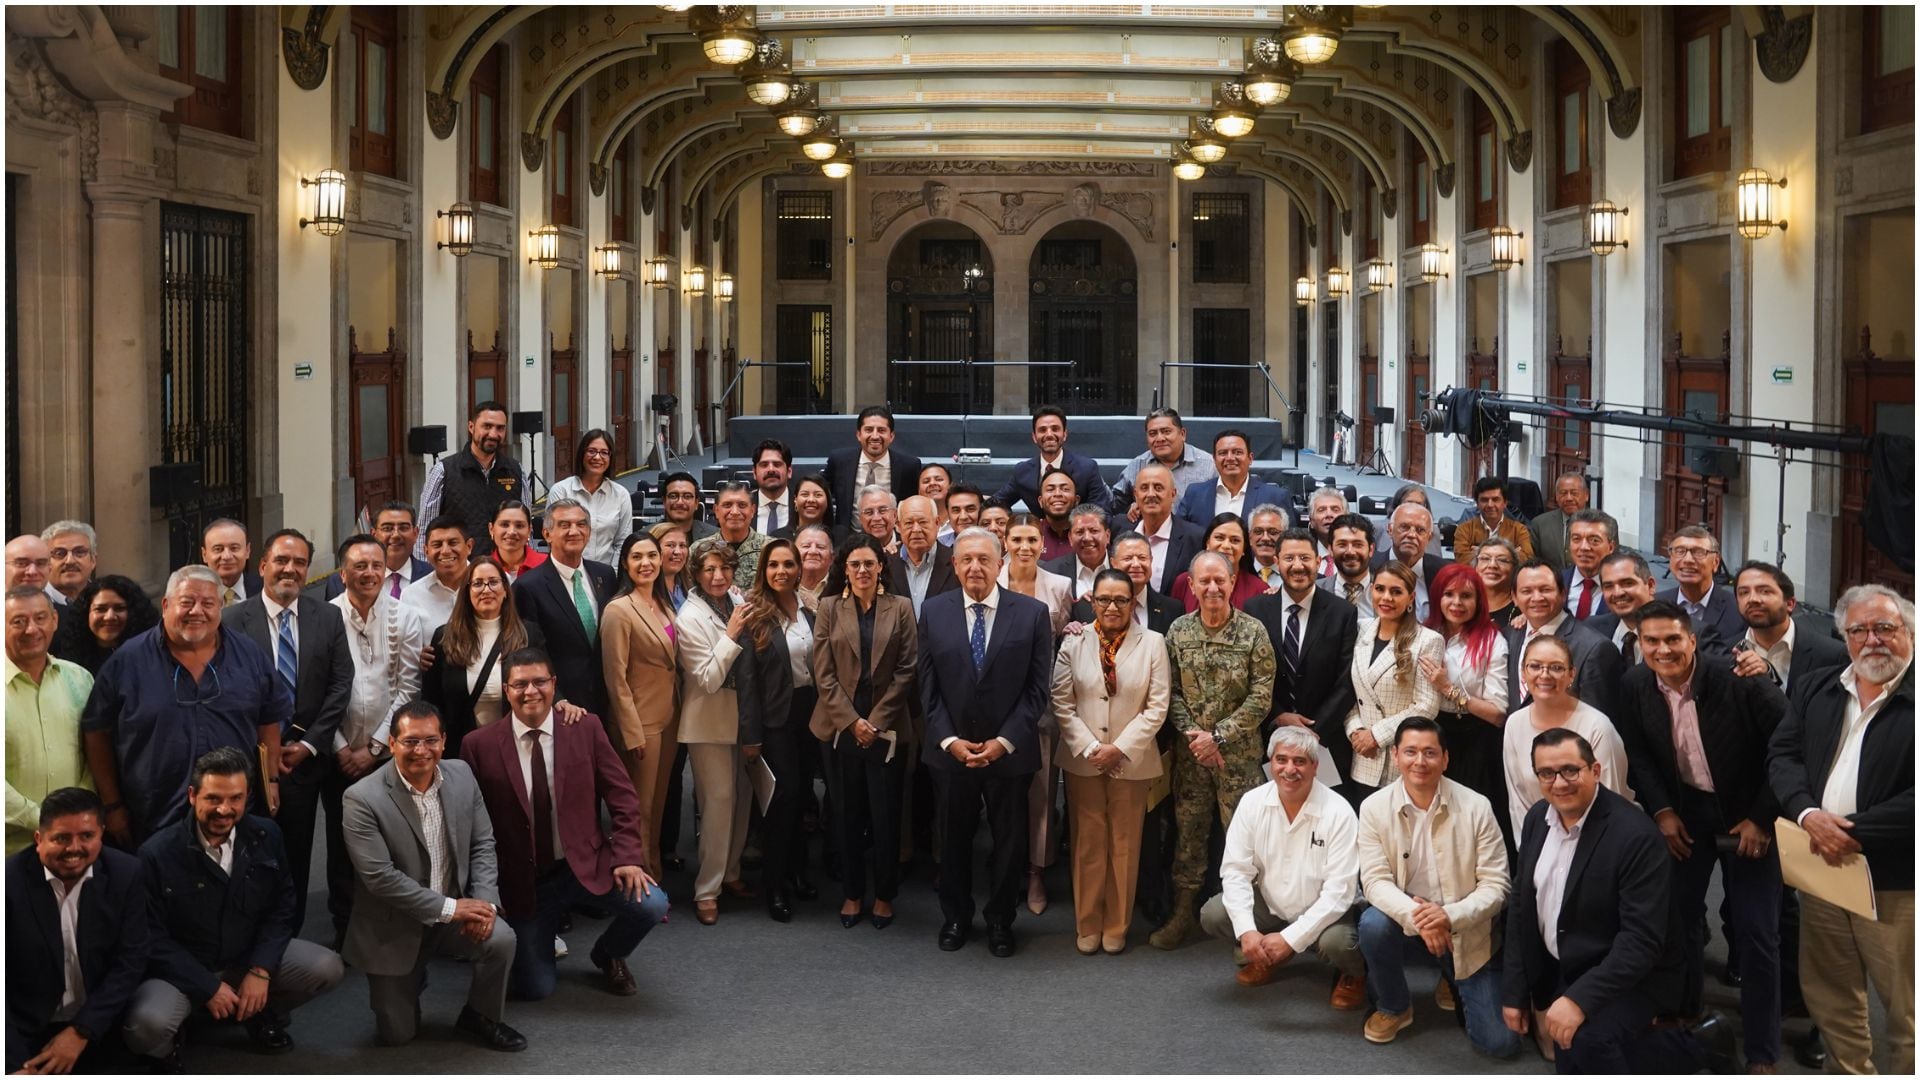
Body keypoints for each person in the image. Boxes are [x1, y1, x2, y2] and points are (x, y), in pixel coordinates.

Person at [1615, 599, 1790, 1071]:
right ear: (1640, 643)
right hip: (1686, 811)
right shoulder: (1634, 683)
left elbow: (1790, 749)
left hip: (1747, 812)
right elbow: (1640, 753)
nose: (1663, 649)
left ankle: (1762, 1051)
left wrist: (1762, 817)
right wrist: (1663, 810)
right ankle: (1684, 1014)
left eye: (1673, 639)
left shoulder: (1738, 680)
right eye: (1651, 641)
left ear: (1692, 638)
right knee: (1680, 921)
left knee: (1757, 934)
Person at [1501, 729, 1729, 1074]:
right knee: (1570, 1050)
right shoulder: (1537, 819)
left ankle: (1696, 1051)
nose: (1559, 783)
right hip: (1568, 960)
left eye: (1570, 770)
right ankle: (1700, 1045)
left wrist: (1579, 1000)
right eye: (1547, 773)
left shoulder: (1635, 836)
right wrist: (1516, 990)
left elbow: (1641, 942)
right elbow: (1521, 906)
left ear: (1596, 770)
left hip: (1636, 974)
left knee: (1584, 1038)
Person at [1767, 584, 1913, 1076]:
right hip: (1823, 869)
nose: (1872, 640)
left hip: (1897, 879)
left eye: (1885, 628)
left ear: (1908, 632)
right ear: (1844, 637)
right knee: (1831, 992)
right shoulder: (1817, 686)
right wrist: (1809, 815)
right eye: (1859, 630)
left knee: (1907, 1008)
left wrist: (1854, 830)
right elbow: (1783, 755)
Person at [461, 648, 665, 1001]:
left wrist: (628, 856)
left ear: (554, 684)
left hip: (584, 865)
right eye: (520, 684)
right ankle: (537, 941)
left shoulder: (585, 727)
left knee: (653, 905)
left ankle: (609, 953)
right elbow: (473, 829)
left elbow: (623, 797)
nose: (531, 692)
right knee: (535, 989)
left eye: (540, 682)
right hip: (525, 883)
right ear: (506, 690)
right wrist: (485, 893)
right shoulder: (478, 746)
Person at [126, 748, 345, 1064]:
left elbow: (282, 908)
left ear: (246, 798)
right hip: (182, 969)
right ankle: (181, 1030)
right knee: (146, 1027)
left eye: (235, 799)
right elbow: (150, 939)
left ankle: (257, 1012)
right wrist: (207, 986)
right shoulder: (156, 854)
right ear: (192, 796)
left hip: (245, 958)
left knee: (327, 967)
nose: (224, 809)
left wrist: (261, 969)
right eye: (213, 798)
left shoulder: (266, 835)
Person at [339, 703, 523, 1052]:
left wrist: (484, 903)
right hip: (394, 925)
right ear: (392, 744)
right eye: (410, 742)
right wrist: (453, 908)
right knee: (398, 1035)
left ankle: (481, 1016)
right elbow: (380, 878)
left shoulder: (462, 775)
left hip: (453, 914)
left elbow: (483, 842)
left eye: (430, 740)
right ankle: (410, 977)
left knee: (501, 939)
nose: (421, 751)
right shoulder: (361, 798)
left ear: (443, 741)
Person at [920, 528, 1055, 957]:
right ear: (954, 565)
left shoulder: (1032, 614)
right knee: (953, 839)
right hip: (951, 753)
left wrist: (1004, 741)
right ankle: (956, 917)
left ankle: (1000, 920)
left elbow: (1038, 690)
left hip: (1009, 754)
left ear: (1001, 564)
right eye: (966, 560)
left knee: (1009, 843)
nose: (975, 567)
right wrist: (948, 740)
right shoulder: (933, 611)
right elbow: (927, 688)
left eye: (984, 559)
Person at [82, 566, 289, 845]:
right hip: (153, 816)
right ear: (166, 605)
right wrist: (112, 806)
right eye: (187, 602)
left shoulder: (249, 655)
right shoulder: (126, 662)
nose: (197, 611)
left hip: (233, 814)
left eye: (207, 603)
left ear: (221, 606)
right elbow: (96, 734)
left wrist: (271, 781)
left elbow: (268, 720)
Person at [1355, 718, 1520, 1055]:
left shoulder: (1477, 806)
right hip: (1408, 925)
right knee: (1372, 924)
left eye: (1430, 753)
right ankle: (1395, 1006)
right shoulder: (1373, 808)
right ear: (1397, 755)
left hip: (1465, 931)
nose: (1420, 761)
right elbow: (1374, 881)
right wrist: (1421, 916)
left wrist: (1448, 916)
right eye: (1411, 752)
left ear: (1445, 759)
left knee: (1500, 1044)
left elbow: (1498, 885)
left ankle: (1450, 974)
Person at [223, 529, 354, 938]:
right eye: (282, 560)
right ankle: (244, 935)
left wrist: (310, 743)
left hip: (303, 760)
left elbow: (339, 684)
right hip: (248, 760)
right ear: (262, 566)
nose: (290, 569)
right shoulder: (232, 619)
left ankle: (286, 938)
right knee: (244, 853)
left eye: (299, 562)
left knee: (295, 855)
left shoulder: (327, 616)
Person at [1152, 551, 1276, 949]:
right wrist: (1196, 738)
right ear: (1191, 585)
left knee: (1245, 843)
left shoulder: (1253, 632)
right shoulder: (1178, 632)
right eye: (1203, 581)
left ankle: (1251, 926)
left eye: (1219, 580)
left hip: (1238, 760)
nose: (1212, 588)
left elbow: (1261, 697)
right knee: (1188, 836)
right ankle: (1183, 914)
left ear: (1231, 581)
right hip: (1191, 761)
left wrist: (1217, 737)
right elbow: (1168, 693)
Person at [1197, 726, 1366, 1006]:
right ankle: (1268, 952)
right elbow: (1236, 870)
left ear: (1315, 766)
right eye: (1282, 759)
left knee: (1338, 944)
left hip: (1325, 911)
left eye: (1300, 761)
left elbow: (1339, 893)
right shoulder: (1252, 802)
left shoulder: (1339, 812)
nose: (1290, 769)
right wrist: (1247, 931)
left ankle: (1355, 974)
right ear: (1270, 763)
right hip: (1272, 904)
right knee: (1214, 914)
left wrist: (1290, 939)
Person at [1053, 569, 1169, 955]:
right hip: (1083, 759)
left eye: (1121, 599)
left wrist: (1119, 748)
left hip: (1131, 761)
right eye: (1104, 599)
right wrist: (1090, 747)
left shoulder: (1153, 643)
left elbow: (1157, 707)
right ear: (1093, 601)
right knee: (1087, 843)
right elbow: (1061, 702)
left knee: (1124, 844)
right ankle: (1087, 922)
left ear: (1133, 602)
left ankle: (1117, 924)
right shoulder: (1073, 641)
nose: (1113, 606)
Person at [322, 533, 432, 940]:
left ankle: (390, 923)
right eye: (359, 566)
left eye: (376, 566)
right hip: (337, 753)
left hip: (387, 754)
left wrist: (373, 749)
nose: (368, 573)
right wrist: (341, 749)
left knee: (392, 838)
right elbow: (319, 692)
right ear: (343, 572)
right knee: (341, 841)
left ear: (386, 571)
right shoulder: (325, 617)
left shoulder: (405, 617)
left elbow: (408, 688)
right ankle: (343, 924)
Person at [811, 534, 919, 930]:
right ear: (845, 569)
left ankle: (885, 895)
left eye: (868, 564)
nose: (861, 571)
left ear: (880, 568)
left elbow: (908, 668)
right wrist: (852, 721)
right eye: (854, 565)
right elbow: (822, 673)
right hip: (841, 729)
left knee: (887, 814)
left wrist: (875, 721)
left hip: (886, 729)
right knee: (846, 812)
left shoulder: (901, 608)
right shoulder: (828, 608)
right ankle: (853, 893)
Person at [5, 788, 150, 1074]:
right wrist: (14, 1065)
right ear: (38, 839)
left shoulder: (126, 873)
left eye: (86, 836)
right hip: (25, 1026)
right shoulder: (7, 883)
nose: (74, 848)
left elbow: (130, 961)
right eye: (61, 838)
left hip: (100, 1023)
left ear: (101, 834)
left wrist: (82, 1030)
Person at [732, 539, 819, 921]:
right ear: (764, 571)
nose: (781, 571)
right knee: (782, 801)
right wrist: (751, 736)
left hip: (811, 716)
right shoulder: (754, 616)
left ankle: (797, 871)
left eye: (788, 564)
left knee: (803, 800)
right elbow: (747, 682)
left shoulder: (811, 611)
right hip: (773, 720)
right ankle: (775, 885)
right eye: (773, 565)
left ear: (800, 568)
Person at [999, 514, 1073, 914]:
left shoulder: (1059, 586)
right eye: (1016, 539)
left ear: (1042, 544)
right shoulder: (990, 582)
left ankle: (1036, 872)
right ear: (1004, 541)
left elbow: (1061, 642)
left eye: (1031, 539)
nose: (1024, 546)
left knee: (1042, 792)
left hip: (1042, 702)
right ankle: (1003, 867)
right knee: (1002, 792)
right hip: (994, 703)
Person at [676, 541, 753, 926]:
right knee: (718, 803)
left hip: (742, 718)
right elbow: (706, 679)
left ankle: (732, 872)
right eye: (708, 569)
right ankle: (706, 890)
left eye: (724, 568)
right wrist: (733, 632)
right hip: (707, 722)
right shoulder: (688, 616)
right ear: (695, 573)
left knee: (741, 798)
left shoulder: (735, 598)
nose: (718, 576)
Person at [1245, 528, 1358, 771]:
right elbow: (1248, 673)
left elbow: (1346, 680)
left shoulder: (1342, 613)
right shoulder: (1255, 609)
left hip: (1324, 739)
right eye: (1289, 558)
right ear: (1276, 562)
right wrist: (1278, 716)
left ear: (1318, 562)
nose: (1298, 566)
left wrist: (1312, 730)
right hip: (1270, 734)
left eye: (1305, 558)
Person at [1499, 635, 1635, 837]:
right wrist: (1532, 850)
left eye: (1556, 667)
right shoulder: (1514, 723)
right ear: (1523, 673)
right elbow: (1519, 802)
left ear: (1572, 674)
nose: (1544, 675)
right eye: (1535, 666)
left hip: (1602, 838)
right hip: (1544, 839)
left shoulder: (1597, 727)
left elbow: (1611, 802)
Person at [600, 531, 679, 876]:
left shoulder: (663, 602)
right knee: (638, 810)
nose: (645, 563)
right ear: (625, 564)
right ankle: (640, 882)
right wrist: (631, 733)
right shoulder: (619, 610)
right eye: (637, 557)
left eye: (651, 556)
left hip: (669, 717)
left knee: (659, 805)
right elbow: (615, 679)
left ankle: (655, 870)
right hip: (640, 724)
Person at [422, 558, 548, 759]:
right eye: (478, 583)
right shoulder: (444, 637)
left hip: (517, 750)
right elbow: (431, 701)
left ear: (506, 590)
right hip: (461, 752)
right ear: (467, 592)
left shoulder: (528, 634)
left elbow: (545, 686)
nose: (486, 589)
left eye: (493, 582)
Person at [1419, 563, 1511, 830]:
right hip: (1432, 733)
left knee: (1468, 823)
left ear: (1478, 600)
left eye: (1466, 596)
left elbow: (1497, 715)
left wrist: (1449, 690)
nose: (1456, 603)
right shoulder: (1425, 633)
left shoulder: (1492, 640)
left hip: (1475, 741)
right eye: (1449, 594)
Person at [1344, 561, 1446, 799]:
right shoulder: (1359, 629)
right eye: (1380, 589)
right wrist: (1356, 731)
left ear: (1411, 598)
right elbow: (1348, 691)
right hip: (1362, 756)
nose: (1386, 597)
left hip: (1399, 759)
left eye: (1396, 591)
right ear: (1371, 590)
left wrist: (1376, 736)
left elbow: (1427, 706)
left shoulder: (1428, 640)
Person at [6, 586, 94, 856]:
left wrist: (73, 819)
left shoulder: (79, 679)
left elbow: (94, 755)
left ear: (54, 620)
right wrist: (46, 821)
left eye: (40, 618)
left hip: (74, 847)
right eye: (18, 621)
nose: (31, 629)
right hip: (10, 847)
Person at [512, 499, 615, 716]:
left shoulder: (604, 575)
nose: (574, 531)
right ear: (547, 534)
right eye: (564, 525)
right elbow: (532, 653)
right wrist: (557, 698)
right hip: (562, 706)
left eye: (581, 524)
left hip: (608, 699)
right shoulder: (528, 587)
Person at [1506, 559, 1625, 718]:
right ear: (1514, 597)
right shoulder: (1508, 636)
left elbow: (1598, 719)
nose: (1537, 598)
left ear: (1563, 593)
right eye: (1526, 591)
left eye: (1545, 589)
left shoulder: (1595, 648)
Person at [414, 400, 525, 559]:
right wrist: (422, 572)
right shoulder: (443, 471)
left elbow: (526, 527)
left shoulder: (516, 470)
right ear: (471, 427)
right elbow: (425, 528)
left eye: (500, 428)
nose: (493, 434)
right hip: (458, 569)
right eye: (487, 426)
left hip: (504, 569)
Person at [1732, 560, 1849, 692]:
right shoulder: (1724, 651)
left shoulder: (1831, 655)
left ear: (1790, 604)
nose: (1753, 599)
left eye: (1765, 591)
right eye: (1743, 593)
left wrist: (1770, 678)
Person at [992, 406, 1112, 514]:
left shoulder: (1087, 468)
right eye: (1042, 430)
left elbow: (1102, 513)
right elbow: (997, 503)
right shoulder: (1022, 471)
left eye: (1055, 429)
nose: (1049, 434)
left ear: (1064, 434)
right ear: (1034, 437)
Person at [545, 429, 632, 567]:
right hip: (567, 571)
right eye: (591, 451)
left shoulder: (621, 495)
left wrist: (613, 575)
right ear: (582, 454)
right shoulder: (561, 490)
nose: (597, 457)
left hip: (607, 575)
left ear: (610, 457)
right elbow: (554, 538)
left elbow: (623, 542)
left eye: (604, 453)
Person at [824, 406, 922, 528]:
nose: (875, 436)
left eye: (881, 430)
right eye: (869, 430)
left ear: (891, 436)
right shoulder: (839, 461)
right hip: (848, 540)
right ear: (859, 435)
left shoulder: (909, 466)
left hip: (892, 541)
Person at [1111, 407, 1215, 519]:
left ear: (1182, 434)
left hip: (1196, 533)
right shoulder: (1137, 466)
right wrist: (1130, 508)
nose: (1159, 438)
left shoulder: (1209, 466)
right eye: (1152, 433)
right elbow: (1116, 505)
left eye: (1166, 432)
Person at [1174, 429, 1289, 529]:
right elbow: (1180, 535)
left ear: (1250, 458)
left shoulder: (1275, 497)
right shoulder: (1195, 494)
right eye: (1223, 453)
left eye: (1237, 452)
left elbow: (1289, 542)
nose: (1230, 458)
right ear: (1214, 459)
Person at [1072, 532, 1184, 633]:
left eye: (1142, 558)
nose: (1136, 564)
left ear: (1151, 560)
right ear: (1113, 563)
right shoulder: (1085, 608)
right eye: (1128, 558)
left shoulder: (1173, 610)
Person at [322, 502, 431, 602]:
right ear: (374, 534)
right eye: (387, 528)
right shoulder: (340, 582)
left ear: (415, 533)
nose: (396, 535)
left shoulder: (432, 576)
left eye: (403, 528)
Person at [1658, 526, 1745, 647]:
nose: (1688, 559)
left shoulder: (1738, 610)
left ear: (1716, 562)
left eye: (1698, 552)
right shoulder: (1655, 604)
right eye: (1679, 551)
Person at [1131, 462, 1206, 595]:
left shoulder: (1195, 539)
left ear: (1173, 494)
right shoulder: (1120, 531)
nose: (1151, 494)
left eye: (1158, 488)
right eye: (1144, 488)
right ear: (1136, 495)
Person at [1167, 513, 1267, 612]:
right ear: (1207, 543)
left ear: (1244, 548)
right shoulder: (1184, 582)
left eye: (1235, 540)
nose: (1226, 545)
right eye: (1219, 537)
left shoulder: (1259, 590)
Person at [1372, 501, 1447, 623]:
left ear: (1429, 537)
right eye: (1404, 527)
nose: (1412, 535)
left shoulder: (1443, 572)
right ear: (1390, 530)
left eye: (1420, 530)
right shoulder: (1370, 567)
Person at [886, 495, 959, 618]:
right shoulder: (884, 563)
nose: (916, 529)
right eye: (909, 523)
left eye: (923, 522)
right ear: (898, 526)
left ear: (937, 523)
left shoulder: (956, 562)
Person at [1587, 549, 1660, 664]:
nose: (1617, 593)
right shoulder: (1591, 630)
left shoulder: (1680, 631)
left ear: (1650, 585)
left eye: (1627, 583)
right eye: (1609, 586)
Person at [401, 515, 473, 627]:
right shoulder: (411, 596)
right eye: (437, 545)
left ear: (469, 546)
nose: (445, 551)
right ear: (426, 551)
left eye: (453, 543)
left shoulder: (496, 583)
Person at [1451, 477, 1535, 565]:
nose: (1490, 505)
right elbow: (1462, 560)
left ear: (1505, 503)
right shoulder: (1464, 529)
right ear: (1477, 503)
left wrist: (1478, 552)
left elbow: (1527, 558)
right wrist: (1511, 554)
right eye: (1484, 500)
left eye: (1495, 499)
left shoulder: (1519, 530)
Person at [1043, 502, 1112, 600]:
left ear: (1107, 536)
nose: (1087, 538)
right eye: (1079, 532)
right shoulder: (1051, 572)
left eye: (1094, 531)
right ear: (1070, 538)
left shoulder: (1124, 567)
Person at [707, 481, 768, 590]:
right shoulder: (700, 550)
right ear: (716, 510)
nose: (735, 512)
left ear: (753, 510)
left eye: (742, 505)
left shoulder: (770, 548)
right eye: (727, 505)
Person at [1561, 509, 1619, 622]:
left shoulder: (1623, 589)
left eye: (1594, 540)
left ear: (1611, 547)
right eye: (1576, 539)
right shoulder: (1556, 582)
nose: (1584, 547)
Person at [1526, 473, 1589, 574]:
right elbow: (1532, 562)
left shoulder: (1602, 524)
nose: (1569, 498)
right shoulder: (1540, 524)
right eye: (1563, 493)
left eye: (1574, 493)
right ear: (1556, 496)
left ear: (1586, 495)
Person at [1320, 512, 1378, 617]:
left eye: (1358, 545)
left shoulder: (1388, 592)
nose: (1350, 552)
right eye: (1342, 544)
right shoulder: (1315, 592)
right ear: (1330, 550)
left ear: (1371, 550)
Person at [199, 519, 261, 606]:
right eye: (218, 549)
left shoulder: (265, 591)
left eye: (234, 548)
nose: (226, 556)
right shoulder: (192, 594)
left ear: (247, 551)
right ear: (204, 554)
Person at [772, 473, 842, 546]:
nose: (811, 500)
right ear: (795, 500)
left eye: (818, 495)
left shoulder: (841, 536)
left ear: (827, 501)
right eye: (805, 494)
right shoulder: (778, 538)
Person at [1374, 486, 1444, 558]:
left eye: (1418, 504)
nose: (1413, 507)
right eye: (1409, 503)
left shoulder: (1432, 530)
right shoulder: (1378, 528)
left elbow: (1436, 560)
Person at [485, 500, 548, 582]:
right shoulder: (481, 570)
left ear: (529, 530)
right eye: (504, 525)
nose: (511, 532)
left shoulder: (548, 566)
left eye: (519, 526)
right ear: (491, 529)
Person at [40, 520, 97, 607]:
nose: (70, 561)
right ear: (45, 562)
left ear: (93, 560)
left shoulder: (107, 602)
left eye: (79, 552)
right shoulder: (31, 604)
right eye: (59, 554)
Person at [1033, 467, 1081, 562]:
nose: (1058, 494)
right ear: (1041, 501)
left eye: (1065, 489)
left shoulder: (1087, 536)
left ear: (1076, 500)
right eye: (1050, 489)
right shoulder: (1030, 535)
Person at [1471, 537, 1522, 627]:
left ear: (1514, 568)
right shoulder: (1465, 603)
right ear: (1475, 566)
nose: (1492, 565)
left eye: (1502, 560)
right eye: (1485, 559)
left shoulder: (1524, 609)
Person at [749, 438, 795, 536]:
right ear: (754, 472)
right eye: (764, 465)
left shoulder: (801, 504)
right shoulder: (743, 506)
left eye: (777, 464)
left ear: (789, 471)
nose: (771, 469)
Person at [658, 471, 719, 543]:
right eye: (673, 496)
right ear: (664, 501)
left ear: (696, 503)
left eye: (687, 496)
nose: (680, 502)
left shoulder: (715, 537)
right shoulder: (647, 536)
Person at [1244, 504, 1292, 588]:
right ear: (1250, 538)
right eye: (1258, 531)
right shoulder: (1239, 575)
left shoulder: (1296, 574)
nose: (1265, 538)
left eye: (1273, 532)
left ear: (1285, 537)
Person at [649, 522, 693, 609]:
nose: (678, 552)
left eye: (682, 545)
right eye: (670, 545)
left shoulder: (690, 588)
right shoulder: (646, 593)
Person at [1307, 488, 1349, 576]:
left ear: (1347, 518)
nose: (1329, 515)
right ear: (1311, 521)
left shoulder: (1357, 557)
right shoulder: (1303, 557)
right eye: (1321, 510)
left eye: (1335, 509)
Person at [793, 524, 835, 612]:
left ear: (832, 558)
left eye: (820, 547)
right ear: (793, 553)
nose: (813, 551)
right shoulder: (782, 586)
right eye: (806, 546)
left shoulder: (842, 588)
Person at [855, 485, 901, 550]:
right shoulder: (850, 552)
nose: (876, 518)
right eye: (869, 512)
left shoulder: (908, 546)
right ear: (860, 519)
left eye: (882, 510)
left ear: (895, 515)